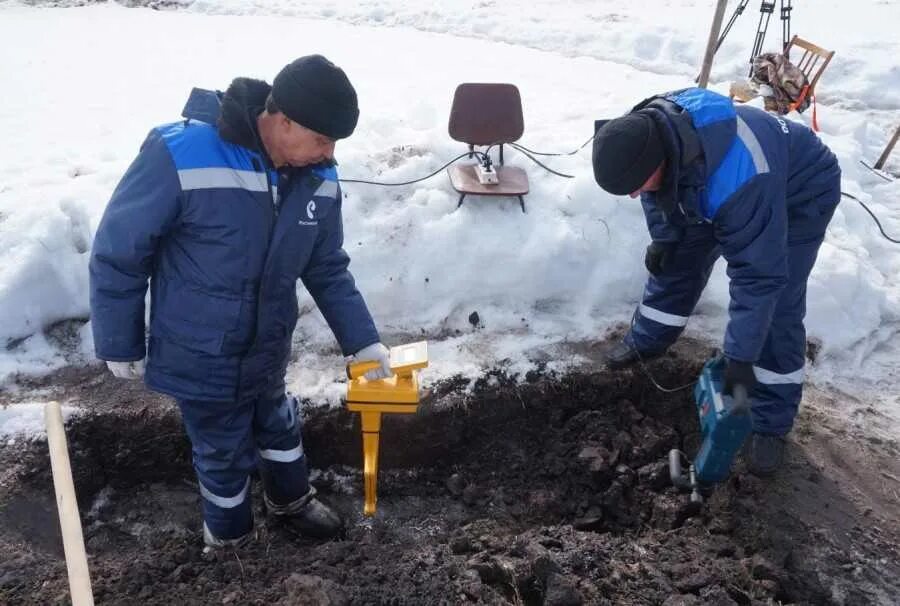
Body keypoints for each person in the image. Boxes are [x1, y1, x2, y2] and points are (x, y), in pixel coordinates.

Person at [90, 55, 393, 548]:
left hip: (266, 347)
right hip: (199, 352)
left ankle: (291, 503)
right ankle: (231, 546)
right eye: (322, 139)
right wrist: (118, 338)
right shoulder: (183, 152)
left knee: (278, 423)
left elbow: (326, 267)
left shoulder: (319, 177)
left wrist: (363, 341)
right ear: (283, 119)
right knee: (223, 452)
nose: (329, 153)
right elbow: (121, 249)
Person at [591, 87, 841, 476]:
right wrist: (664, 239)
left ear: (661, 160)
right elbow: (660, 200)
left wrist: (740, 361)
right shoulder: (644, 135)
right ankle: (649, 341)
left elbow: (759, 277)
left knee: (779, 302)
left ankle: (770, 421)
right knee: (676, 260)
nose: (635, 194)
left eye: (638, 184)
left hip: (800, 190)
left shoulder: (742, 178)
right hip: (714, 174)